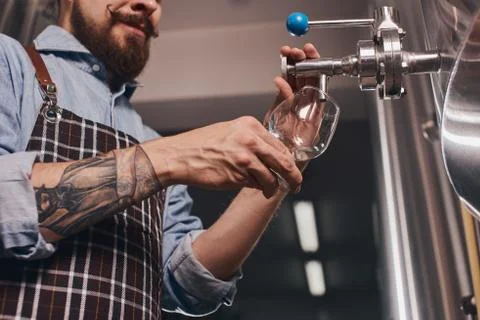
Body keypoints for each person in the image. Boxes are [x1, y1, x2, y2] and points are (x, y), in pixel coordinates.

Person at [0, 0, 320, 318]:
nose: (149, 4)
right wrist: (170, 157)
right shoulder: (9, 63)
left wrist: (281, 157)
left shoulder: (148, 137)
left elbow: (188, 286)